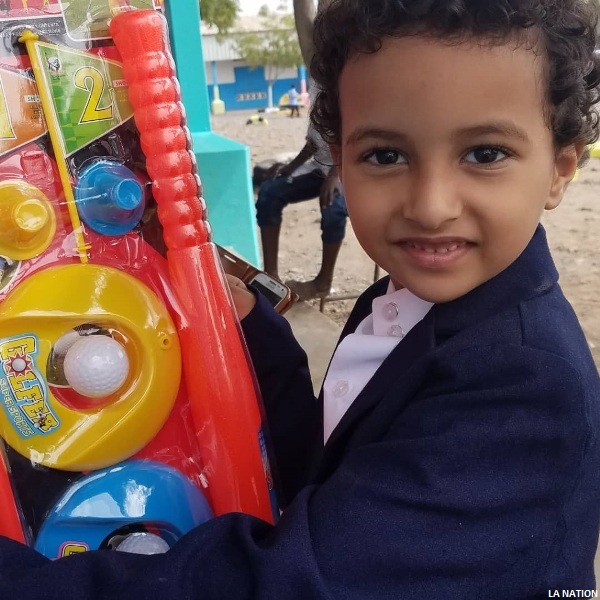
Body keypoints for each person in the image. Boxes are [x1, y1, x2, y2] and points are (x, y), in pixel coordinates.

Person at [1, 1, 600, 598]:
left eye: (485, 154)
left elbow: (300, 582)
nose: (430, 206)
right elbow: (328, 465)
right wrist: (251, 331)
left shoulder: (524, 385)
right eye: (385, 156)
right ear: (338, 162)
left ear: (560, 167)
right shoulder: (403, 301)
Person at [255, 124, 348, 300]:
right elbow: (315, 141)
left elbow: (353, 139)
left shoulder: (349, 105)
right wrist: (291, 166)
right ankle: (271, 276)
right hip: (320, 168)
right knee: (269, 192)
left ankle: (323, 282)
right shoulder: (316, 105)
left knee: (333, 208)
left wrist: (335, 175)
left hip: (349, 168)